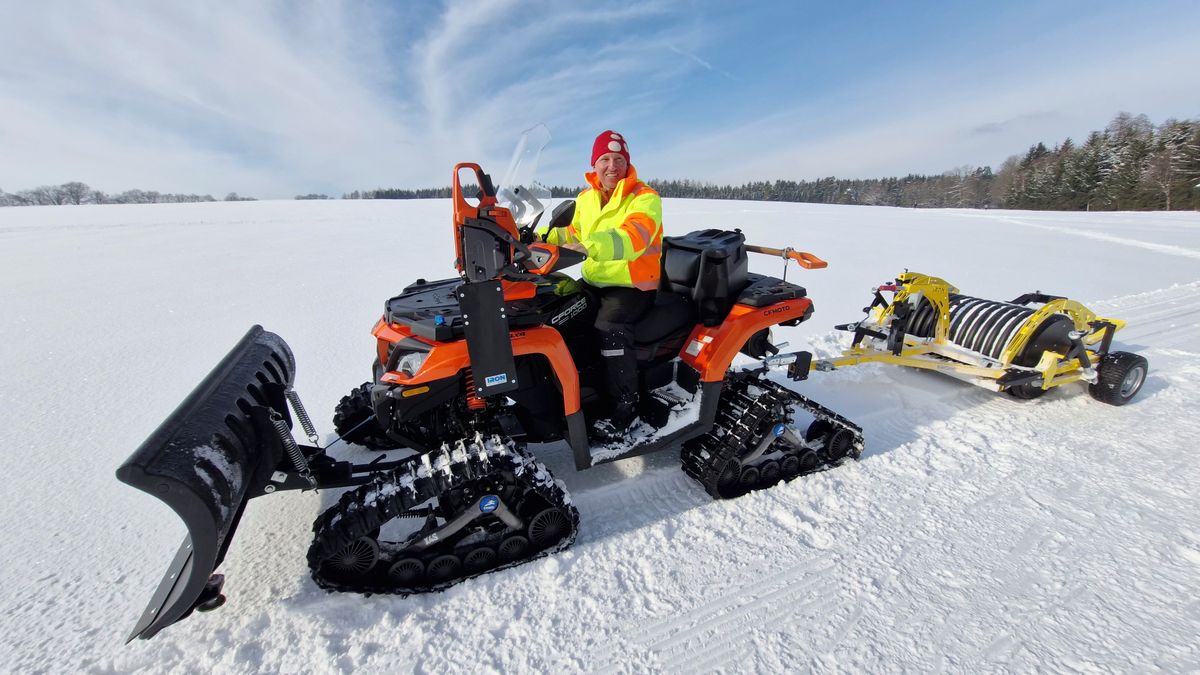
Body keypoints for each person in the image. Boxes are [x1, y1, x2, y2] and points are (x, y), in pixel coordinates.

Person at [541, 130, 663, 438]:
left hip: (633, 284)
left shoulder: (645, 197)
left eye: (619, 160)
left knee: (609, 327)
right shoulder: (586, 198)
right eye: (605, 160)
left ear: (627, 164)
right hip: (595, 280)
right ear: (594, 165)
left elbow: (635, 236)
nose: (612, 166)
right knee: (558, 315)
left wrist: (592, 245)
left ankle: (626, 404)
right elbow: (569, 232)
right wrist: (533, 236)